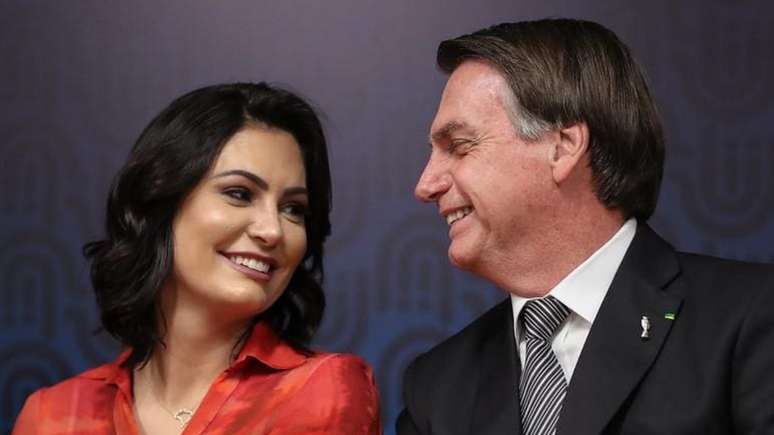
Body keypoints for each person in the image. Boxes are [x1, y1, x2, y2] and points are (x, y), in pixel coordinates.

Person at [397, 18, 774, 435]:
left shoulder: (753, 317)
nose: (426, 185)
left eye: (458, 146)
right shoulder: (436, 387)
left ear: (563, 148)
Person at [13, 83, 381, 434]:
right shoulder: (52, 415)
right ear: (161, 202)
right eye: (239, 193)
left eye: (293, 209)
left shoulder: (322, 390)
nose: (272, 230)